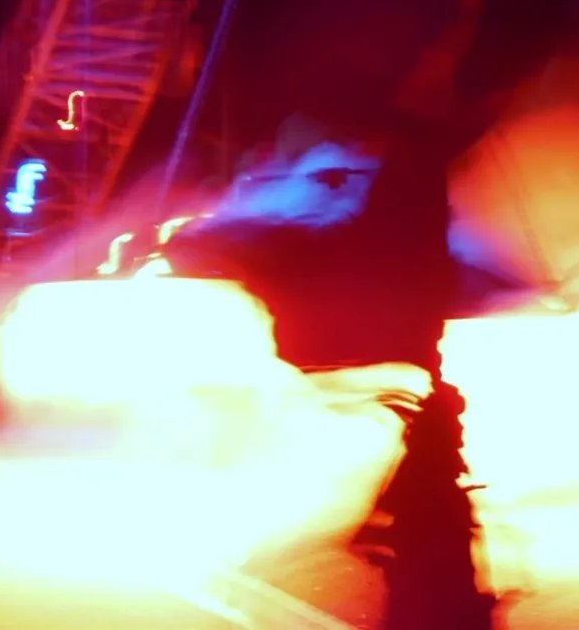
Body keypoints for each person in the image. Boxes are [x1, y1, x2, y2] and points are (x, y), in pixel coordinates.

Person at [166, 108, 498, 630]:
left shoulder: (307, 218)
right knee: (421, 523)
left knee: (412, 521)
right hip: (390, 386)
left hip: (377, 389)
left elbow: (204, 245)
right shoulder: (374, 210)